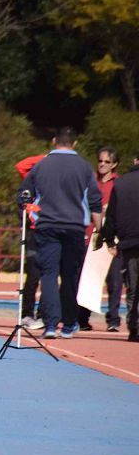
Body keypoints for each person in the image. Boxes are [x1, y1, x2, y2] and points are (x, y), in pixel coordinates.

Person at [17, 127, 102, 339]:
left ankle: (51, 324)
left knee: (48, 274)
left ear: (54, 141)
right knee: (70, 275)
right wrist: (99, 229)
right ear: (74, 144)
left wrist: (33, 216)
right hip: (74, 226)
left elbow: (24, 196)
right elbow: (94, 201)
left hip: (47, 226)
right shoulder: (84, 168)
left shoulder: (41, 166)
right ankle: (69, 323)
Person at [78, 146, 124, 331]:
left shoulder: (119, 184)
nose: (102, 165)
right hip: (90, 236)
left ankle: (113, 320)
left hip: (112, 237)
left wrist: (108, 209)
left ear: (114, 164)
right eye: (100, 161)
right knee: (87, 278)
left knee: (114, 281)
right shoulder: (90, 182)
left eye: (107, 162)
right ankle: (82, 319)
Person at [99, 151, 139, 343]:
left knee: (132, 286)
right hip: (130, 240)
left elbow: (112, 215)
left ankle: (133, 326)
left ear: (135, 160)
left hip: (129, 242)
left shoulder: (121, 184)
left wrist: (108, 239)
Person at [14, 152, 46, 330]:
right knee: (32, 275)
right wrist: (47, 157)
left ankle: (44, 314)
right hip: (34, 232)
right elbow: (21, 165)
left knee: (49, 276)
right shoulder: (32, 178)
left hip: (52, 230)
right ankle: (27, 313)